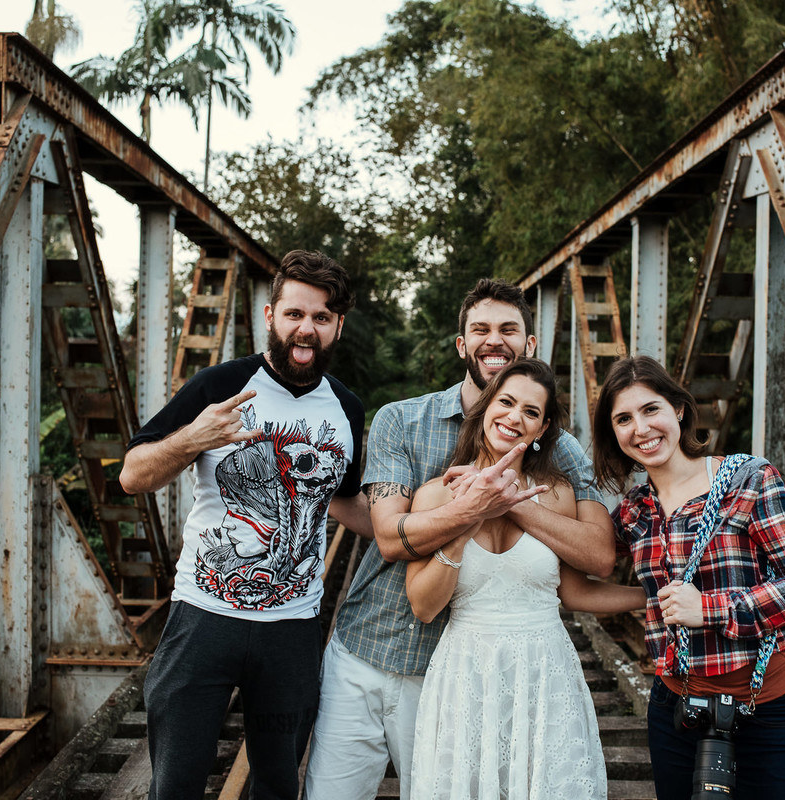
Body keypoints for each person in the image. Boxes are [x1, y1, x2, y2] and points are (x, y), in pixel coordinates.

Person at [304, 279, 615, 800]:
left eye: (508, 329)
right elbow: (390, 538)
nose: (494, 340)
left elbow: (597, 556)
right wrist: (470, 510)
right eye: (481, 329)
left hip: (452, 674)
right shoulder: (402, 420)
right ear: (461, 343)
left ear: (529, 345)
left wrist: (508, 501)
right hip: (367, 646)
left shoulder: (556, 447)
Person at [120, 250, 371, 800]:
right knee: (176, 784)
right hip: (203, 620)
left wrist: (436, 521)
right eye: (295, 314)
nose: (306, 329)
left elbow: (347, 502)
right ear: (270, 315)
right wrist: (194, 437)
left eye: (322, 317)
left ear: (338, 326)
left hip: (292, 631)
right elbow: (133, 475)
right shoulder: (220, 385)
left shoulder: (346, 408)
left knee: (278, 783)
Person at [591, 354, 785, 800]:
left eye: (650, 409)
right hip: (676, 708)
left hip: (766, 703)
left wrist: (711, 609)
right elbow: (581, 556)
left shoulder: (748, 480)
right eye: (623, 419)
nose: (640, 429)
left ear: (679, 409)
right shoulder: (633, 511)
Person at [404, 358, 643, 799]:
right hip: (466, 672)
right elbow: (423, 606)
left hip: (545, 672)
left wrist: (651, 597)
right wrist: (470, 516)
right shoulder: (436, 494)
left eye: (531, 412)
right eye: (506, 402)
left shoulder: (557, 494)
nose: (514, 417)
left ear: (542, 428)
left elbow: (577, 589)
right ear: (486, 407)